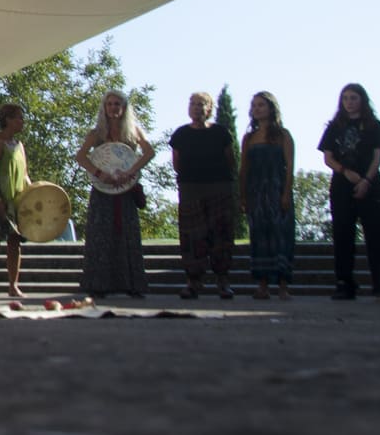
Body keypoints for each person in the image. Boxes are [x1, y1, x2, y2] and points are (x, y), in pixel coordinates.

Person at [75, 90, 154, 298]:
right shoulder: (96, 133)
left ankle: (132, 285)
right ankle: (98, 285)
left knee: (127, 234)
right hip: (103, 191)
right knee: (101, 235)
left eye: (117, 104)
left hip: (126, 190)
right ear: (104, 108)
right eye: (109, 104)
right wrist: (99, 173)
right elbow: (81, 156)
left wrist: (130, 171)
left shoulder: (134, 131)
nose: (113, 107)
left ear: (124, 107)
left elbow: (149, 152)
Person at [317, 83, 380, 301]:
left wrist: (366, 180)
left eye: (353, 98)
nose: (349, 102)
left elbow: (377, 157)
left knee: (376, 234)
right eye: (346, 98)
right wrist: (345, 171)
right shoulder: (334, 127)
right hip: (342, 184)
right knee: (342, 234)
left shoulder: (374, 125)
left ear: (362, 100)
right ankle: (344, 283)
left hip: (370, 183)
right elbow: (328, 157)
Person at [170, 91, 236, 300]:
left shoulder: (220, 132)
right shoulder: (181, 134)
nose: (196, 108)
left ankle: (223, 280)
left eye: (201, 104)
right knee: (192, 236)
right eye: (192, 103)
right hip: (191, 190)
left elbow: (230, 160)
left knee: (221, 236)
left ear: (209, 109)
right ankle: (193, 281)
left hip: (219, 189)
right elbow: (177, 163)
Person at [241, 91, 295, 300]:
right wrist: (243, 196)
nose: (257, 109)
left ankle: (283, 285)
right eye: (254, 105)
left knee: (281, 236)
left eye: (261, 105)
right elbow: (244, 168)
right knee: (259, 237)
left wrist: (286, 193)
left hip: (277, 189)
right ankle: (262, 285)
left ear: (271, 108)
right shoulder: (249, 138)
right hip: (256, 192)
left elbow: (289, 166)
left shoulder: (283, 135)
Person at [0, 103, 30, 299]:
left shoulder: (19, 145)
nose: (22, 121)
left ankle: (13, 285)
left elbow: (25, 174)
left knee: (14, 242)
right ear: (8, 120)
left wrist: (33, 192)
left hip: (16, 200)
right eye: (18, 117)